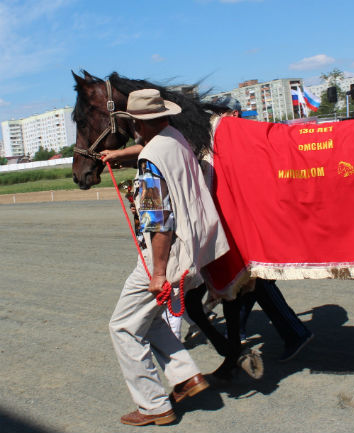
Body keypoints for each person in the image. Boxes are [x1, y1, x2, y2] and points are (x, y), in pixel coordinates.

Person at [108, 89, 229, 426]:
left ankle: (153, 405)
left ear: (136, 123)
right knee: (150, 319)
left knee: (123, 327)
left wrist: (158, 273)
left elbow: (159, 223)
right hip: (199, 249)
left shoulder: (151, 162)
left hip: (167, 258)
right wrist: (118, 156)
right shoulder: (175, 138)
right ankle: (186, 375)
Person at [205, 95, 314, 362]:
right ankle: (241, 330)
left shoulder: (248, 140)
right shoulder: (227, 143)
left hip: (263, 222)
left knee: (259, 282)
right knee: (249, 282)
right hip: (252, 221)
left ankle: (294, 332)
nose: (215, 119)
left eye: (220, 113)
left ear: (233, 115)